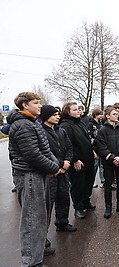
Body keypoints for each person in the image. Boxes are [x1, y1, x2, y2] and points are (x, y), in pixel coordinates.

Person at [7, 92, 61, 266]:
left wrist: (54, 165)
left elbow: (45, 150)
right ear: (25, 105)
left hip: (37, 173)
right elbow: (32, 154)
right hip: (29, 175)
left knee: (39, 217)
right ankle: (31, 261)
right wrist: (54, 168)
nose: (40, 106)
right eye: (36, 103)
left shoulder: (31, 122)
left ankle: (37, 252)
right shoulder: (23, 125)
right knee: (32, 220)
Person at [40, 105, 77, 237]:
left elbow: (69, 147)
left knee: (64, 198)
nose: (58, 117)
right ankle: (42, 236)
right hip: (51, 172)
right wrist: (60, 165)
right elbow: (45, 152)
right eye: (54, 115)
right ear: (46, 116)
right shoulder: (41, 132)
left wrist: (67, 162)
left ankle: (62, 223)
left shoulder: (61, 131)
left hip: (63, 171)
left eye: (58, 115)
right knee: (47, 204)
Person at [60, 102, 96, 219]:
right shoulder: (66, 125)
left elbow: (86, 139)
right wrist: (75, 160)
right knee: (78, 185)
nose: (78, 111)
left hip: (88, 158)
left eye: (79, 109)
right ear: (67, 112)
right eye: (75, 110)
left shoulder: (80, 122)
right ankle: (78, 208)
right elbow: (67, 145)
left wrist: (92, 151)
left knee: (88, 182)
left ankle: (86, 201)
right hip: (78, 161)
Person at [95, 107, 119, 218]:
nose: (117, 116)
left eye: (117, 114)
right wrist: (112, 158)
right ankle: (108, 207)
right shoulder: (102, 130)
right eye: (114, 114)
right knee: (108, 185)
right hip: (108, 163)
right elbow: (100, 147)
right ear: (107, 116)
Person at [88, 108, 105, 188]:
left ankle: (103, 181)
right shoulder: (90, 124)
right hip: (94, 148)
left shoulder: (101, 124)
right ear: (95, 115)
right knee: (94, 166)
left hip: (101, 148)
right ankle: (91, 181)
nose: (101, 116)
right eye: (100, 114)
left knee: (102, 165)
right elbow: (89, 136)